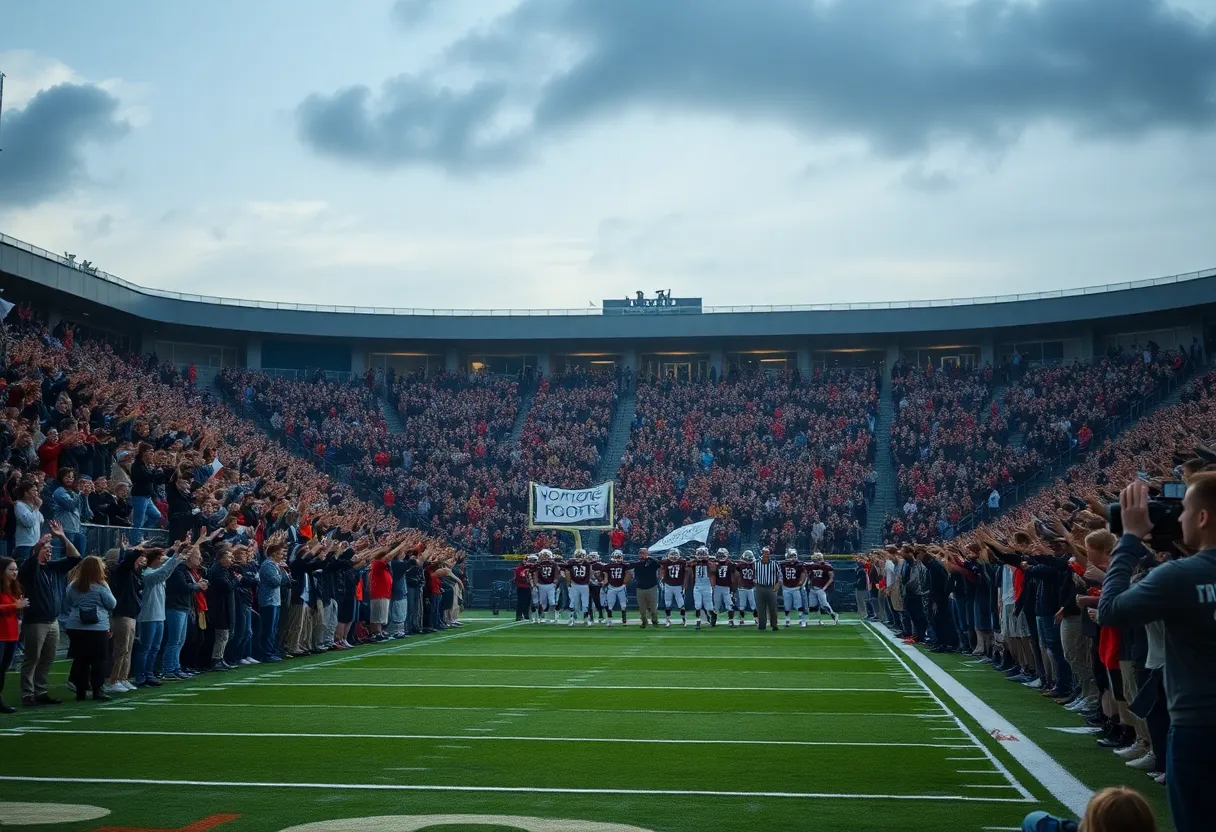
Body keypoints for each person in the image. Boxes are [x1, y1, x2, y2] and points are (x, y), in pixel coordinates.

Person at [1097, 477, 1216, 832]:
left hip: (1199, 725)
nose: (1177, 520)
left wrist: (1130, 540)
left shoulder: (1179, 576)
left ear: (1203, 518)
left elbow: (1111, 611)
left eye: (1185, 512)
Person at [19, 524, 80, 706]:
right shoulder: (29, 569)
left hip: (52, 620)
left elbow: (75, 557)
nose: (50, 551)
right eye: (47, 549)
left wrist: (63, 537)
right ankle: (27, 693)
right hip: (36, 621)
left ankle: (41, 690)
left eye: (51, 549)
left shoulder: (52, 568)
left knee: (47, 658)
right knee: (33, 657)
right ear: (37, 551)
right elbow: (30, 563)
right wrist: (38, 545)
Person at [63, 555, 117, 702]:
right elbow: (112, 604)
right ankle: (97, 690)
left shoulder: (73, 584)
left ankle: (80, 691)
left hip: (75, 625)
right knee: (99, 659)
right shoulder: (101, 585)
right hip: (97, 626)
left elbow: (68, 601)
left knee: (81, 659)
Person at [131, 544, 181, 686]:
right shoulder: (147, 575)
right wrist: (176, 556)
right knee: (145, 647)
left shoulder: (157, 575)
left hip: (159, 615)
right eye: (159, 558)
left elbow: (166, 571)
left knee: (155, 647)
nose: (161, 560)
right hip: (148, 616)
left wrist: (176, 558)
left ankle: (149, 673)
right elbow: (164, 571)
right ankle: (140, 675)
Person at [0, 557, 29, 713]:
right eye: (11, 569)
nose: (15, 572)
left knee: (3, 668)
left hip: (11, 634)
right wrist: (14, 605)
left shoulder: (14, 588)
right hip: (2, 634)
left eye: (16, 569)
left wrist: (19, 606)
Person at [631, 548, 660, 628]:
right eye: (640, 553)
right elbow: (630, 567)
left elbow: (658, 565)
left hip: (652, 587)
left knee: (653, 607)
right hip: (640, 587)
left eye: (644, 553)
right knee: (642, 608)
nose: (642, 554)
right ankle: (644, 621)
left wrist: (649, 559)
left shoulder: (652, 562)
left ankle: (654, 619)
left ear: (647, 553)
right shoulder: (637, 563)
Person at [660, 549, 689, 628]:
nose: (673, 556)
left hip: (678, 586)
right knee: (667, 604)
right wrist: (661, 578)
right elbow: (661, 569)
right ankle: (667, 620)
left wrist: (684, 584)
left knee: (681, 604)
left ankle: (684, 620)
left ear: (679, 555)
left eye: (675, 554)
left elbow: (686, 573)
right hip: (668, 585)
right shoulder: (666, 562)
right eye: (672, 554)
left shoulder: (683, 562)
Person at [754, 547, 779, 631]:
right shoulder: (756, 563)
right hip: (760, 586)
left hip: (771, 587)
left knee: (773, 607)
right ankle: (762, 625)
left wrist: (777, 585)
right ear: (762, 553)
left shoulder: (774, 563)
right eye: (765, 553)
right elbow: (752, 574)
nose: (767, 555)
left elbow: (780, 575)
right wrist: (755, 584)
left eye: (768, 553)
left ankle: (774, 625)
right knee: (761, 607)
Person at [513, 554, 535, 621]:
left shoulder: (531, 567)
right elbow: (519, 575)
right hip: (521, 586)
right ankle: (519, 615)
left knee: (528, 601)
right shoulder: (519, 568)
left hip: (528, 586)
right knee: (521, 601)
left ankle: (526, 614)